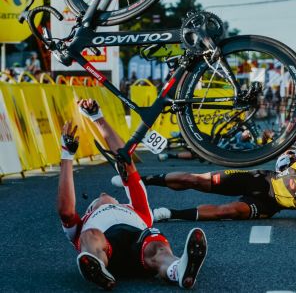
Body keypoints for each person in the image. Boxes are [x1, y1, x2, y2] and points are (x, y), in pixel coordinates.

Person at [58, 99, 208, 289]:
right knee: (90, 236)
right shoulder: (84, 224)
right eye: (98, 199)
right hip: (105, 249)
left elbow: (125, 160)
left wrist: (98, 117)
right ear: (91, 208)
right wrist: (67, 155)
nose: (103, 193)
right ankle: (98, 268)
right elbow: (65, 211)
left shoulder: (138, 210)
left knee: (156, 244)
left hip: (141, 247)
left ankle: (178, 270)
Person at [123, 143, 296, 225]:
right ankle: (144, 180)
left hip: (268, 204)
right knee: (199, 180)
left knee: (226, 212)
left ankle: (168, 214)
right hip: (261, 180)